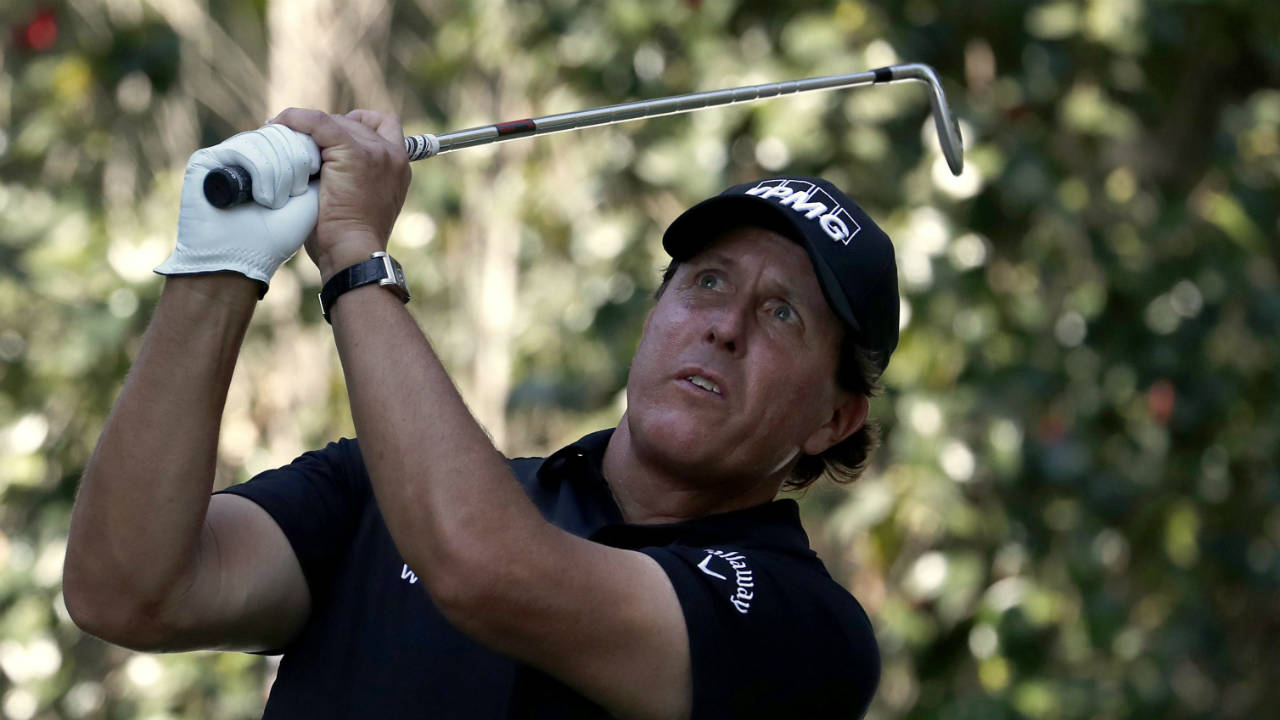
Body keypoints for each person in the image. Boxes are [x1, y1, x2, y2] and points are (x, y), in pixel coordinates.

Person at [63, 108, 896, 719]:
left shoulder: (804, 627)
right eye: (706, 281)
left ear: (836, 421)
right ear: (656, 313)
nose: (724, 325)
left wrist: (355, 256)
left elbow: (491, 574)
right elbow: (125, 592)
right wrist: (218, 264)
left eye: (783, 313)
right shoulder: (374, 494)